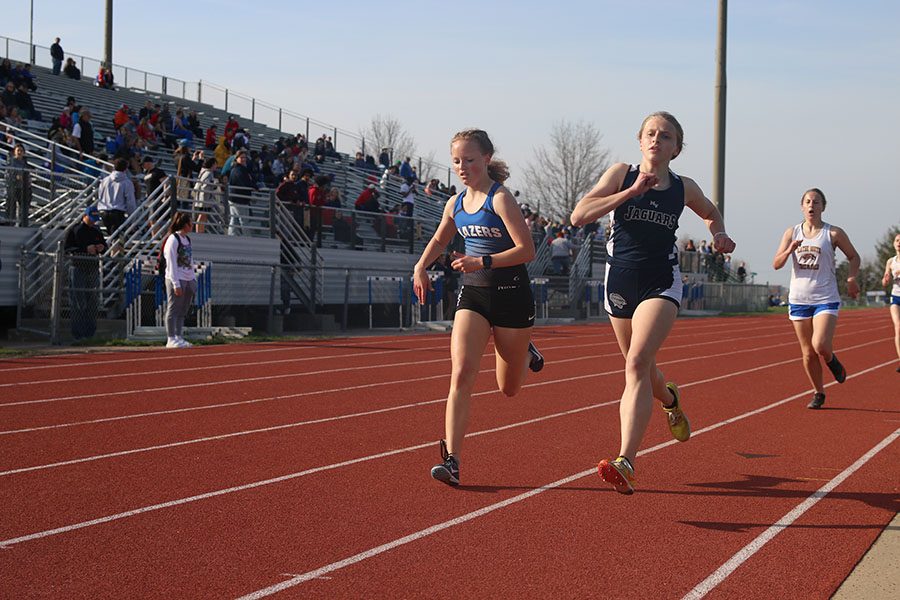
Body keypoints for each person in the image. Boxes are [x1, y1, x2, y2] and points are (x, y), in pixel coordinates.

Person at [570, 111, 736, 494]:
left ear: (676, 148)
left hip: (661, 282)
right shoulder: (621, 174)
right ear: (640, 140)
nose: (656, 140)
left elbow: (710, 213)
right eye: (650, 133)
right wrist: (630, 193)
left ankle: (626, 460)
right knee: (642, 369)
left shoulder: (683, 187)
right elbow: (579, 216)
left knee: (637, 362)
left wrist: (720, 233)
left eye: (665, 136)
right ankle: (671, 399)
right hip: (620, 281)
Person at [413, 129, 545, 487]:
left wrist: (483, 261)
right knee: (461, 373)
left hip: (512, 295)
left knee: (509, 388)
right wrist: (420, 266)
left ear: (486, 159)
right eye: (456, 161)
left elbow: (526, 251)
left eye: (469, 160)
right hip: (472, 294)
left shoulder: (500, 199)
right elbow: (442, 237)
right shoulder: (454, 203)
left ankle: (523, 348)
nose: (462, 167)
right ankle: (452, 460)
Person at [773, 188, 860, 409]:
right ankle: (818, 392)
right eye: (808, 201)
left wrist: (851, 278)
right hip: (799, 299)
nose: (812, 205)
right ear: (802, 206)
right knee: (807, 353)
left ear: (823, 206)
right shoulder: (791, 233)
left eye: (817, 202)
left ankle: (831, 359)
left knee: (820, 344)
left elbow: (853, 256)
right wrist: (790, 249)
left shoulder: (833, 233)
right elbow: (776, 264)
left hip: (825, 297)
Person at [63, 206, 106, 340]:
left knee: (92, 301)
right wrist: (85, 249)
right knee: (78, 301)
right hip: (78, 268)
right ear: (85, 216)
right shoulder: (75, 230)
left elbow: (104, 245)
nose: (93, 222)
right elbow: (67, 248)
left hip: (92, 268)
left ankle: (90, 333)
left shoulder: (96, 230)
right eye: (91, 219)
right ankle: (78, 334)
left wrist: (101, 247)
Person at [162, 211, 197, 348]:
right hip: (176, 278)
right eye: (191, 223)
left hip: (188, 278)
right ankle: (171, 338)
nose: (192, 226)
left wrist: (193, 278)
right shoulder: (173, 239)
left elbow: (190, 260)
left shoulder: (187, 239)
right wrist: (175, 283)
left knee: (183, 310)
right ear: (185, 224)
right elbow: (170, 262)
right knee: (173, 308)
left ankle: (178, 336)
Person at [96, 158, 137, 236]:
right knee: (118, 239)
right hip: (117, 213)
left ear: (114, 167)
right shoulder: (127, 182)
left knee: (111, 236)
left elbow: (100, 195)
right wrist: (132, 217)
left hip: (103, 211)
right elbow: (130, 202)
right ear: (126, 168)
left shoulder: (105, 180)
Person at [882, 233, 900, 372]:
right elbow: (884, 281)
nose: (899, 243)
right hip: (896, 297)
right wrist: (886, 279)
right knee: (898, 326)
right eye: (897, 240)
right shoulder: (890, 261)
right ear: (894, 243)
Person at [5, 143, 32, 227]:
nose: (19, 152)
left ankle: (22, 223)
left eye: (21, 151)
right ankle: (10, 223)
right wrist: (17, 176)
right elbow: (9, 174)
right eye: (18, 150)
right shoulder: (11, 161)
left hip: (22, 188)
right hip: (13, 187)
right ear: (14, 152)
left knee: (24, 207)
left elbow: (27, 174)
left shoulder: (25, 163)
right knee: (11, 207)